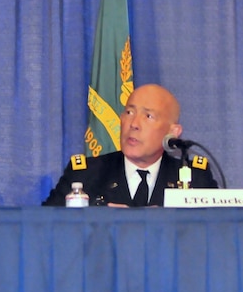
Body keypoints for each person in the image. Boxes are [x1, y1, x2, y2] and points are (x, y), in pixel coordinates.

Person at [43, 83, 217, 207]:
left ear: (173, 132)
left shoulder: (196, 178)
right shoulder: (85, 175)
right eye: (129, 112)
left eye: (148, 116)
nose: (134, 124)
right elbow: (47, 229)